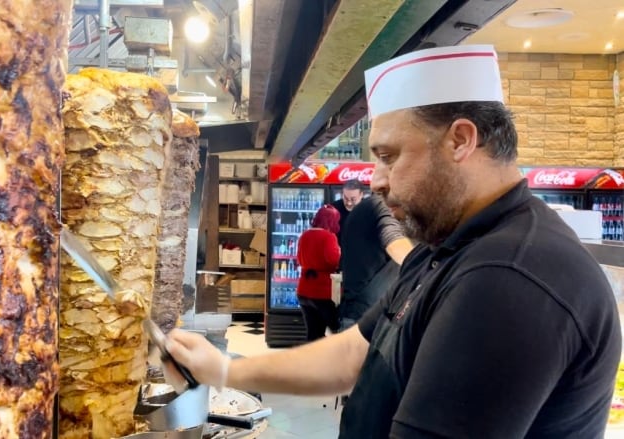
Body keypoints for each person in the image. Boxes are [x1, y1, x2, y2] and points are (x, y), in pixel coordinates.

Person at [165, 45, 621, 438]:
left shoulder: (510, 278)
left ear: (460, 140)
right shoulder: (444, 246)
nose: (376, 181)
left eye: (388, 156)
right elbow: (352, 355)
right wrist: (226, 371)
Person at [337, 194, 413, 331]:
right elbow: (394, 241)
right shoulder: (382, 206)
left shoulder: (365, 208)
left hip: (358, 313)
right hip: (369, 320)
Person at [296, 205, 341, 341]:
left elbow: (299, 259)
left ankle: (310, 361)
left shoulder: (305, 235)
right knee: (337, 329)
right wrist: (340, 253)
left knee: (313, 334)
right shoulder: (329, 237)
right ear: (331, 221)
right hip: (323, 291)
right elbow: (333, 260)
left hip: (303, 289)